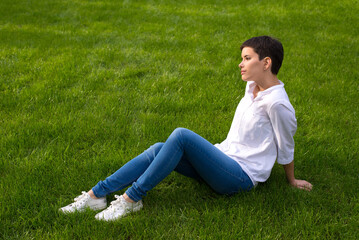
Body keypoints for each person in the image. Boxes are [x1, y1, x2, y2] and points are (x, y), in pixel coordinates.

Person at [59, 36, 313, 221]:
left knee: (181, 135)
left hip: (241, 176)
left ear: (266, 62)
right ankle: (97, 195)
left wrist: (290, 180)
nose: (240, 64)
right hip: (223, 159)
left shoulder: (278, 103)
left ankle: (131, 199)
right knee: (160, 148)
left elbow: (286, 143)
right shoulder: (253, 88)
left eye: (247, 58)